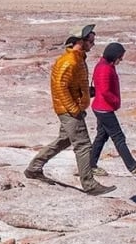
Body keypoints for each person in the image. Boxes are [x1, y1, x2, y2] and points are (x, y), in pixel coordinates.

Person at [24, 24, 116, 195]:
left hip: (71, 107)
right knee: (83, 145)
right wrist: (74, 109)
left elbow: (73, 86)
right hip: (69, 110)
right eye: (91, 41)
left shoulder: (78, 59)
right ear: (81, 41)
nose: (93, 44)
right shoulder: (69, 61)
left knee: (64, 140)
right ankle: (89, 184)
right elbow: (60, 87)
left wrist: (88, 93)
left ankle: (34, 168)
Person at [89, 42, 136, 177]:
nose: (121, 59)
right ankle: (133, 166)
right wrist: (116, 102)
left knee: (101, 136)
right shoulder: (104, 68)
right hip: (104, 109)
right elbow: (105, 91)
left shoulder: (105, 65)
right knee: (119, 137)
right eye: (120, 56)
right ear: (114, 56)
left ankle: (90, 165)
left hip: (101, 107)